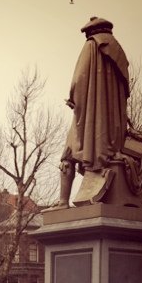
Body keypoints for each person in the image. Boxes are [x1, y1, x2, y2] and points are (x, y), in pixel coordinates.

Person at [55, 16, 130, 208]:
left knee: (68, 152)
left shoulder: (91, 45)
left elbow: (79, 79)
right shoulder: (119, 54)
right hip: (112, 124)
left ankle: (63, 200)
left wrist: (73, 99)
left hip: (89, 116)